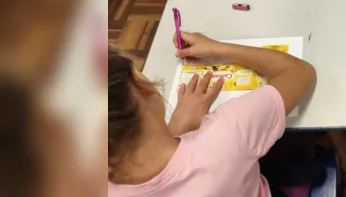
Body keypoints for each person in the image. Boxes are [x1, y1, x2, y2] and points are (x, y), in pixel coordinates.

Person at [107, 32, 316, 196]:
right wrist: (218, 47)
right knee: (295, 141)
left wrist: (177, 130)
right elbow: (299, 72)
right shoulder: (227, 132)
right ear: (142, 88)